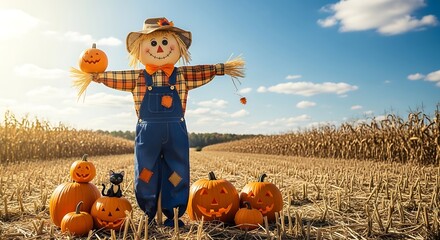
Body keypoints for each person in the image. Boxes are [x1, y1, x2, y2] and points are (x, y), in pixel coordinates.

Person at [75, 17, 245, 227]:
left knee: (177, 170)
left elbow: (203, 70)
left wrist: (222, 68)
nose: (159, 47)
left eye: (165, 42)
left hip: (176, 130)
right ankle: (148, 211)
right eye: (153, 43)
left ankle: (173, 214)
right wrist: (98, 76)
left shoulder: (183, 75)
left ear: (178, 47)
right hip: (147, 132)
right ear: (141, 48)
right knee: (146, 171)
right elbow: (115, 77)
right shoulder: (138, 78)